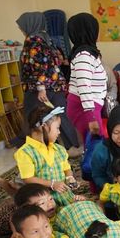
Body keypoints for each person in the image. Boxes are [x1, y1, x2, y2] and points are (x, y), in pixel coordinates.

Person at [16, 11, 79, 152]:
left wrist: (41, 87)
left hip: (39, 89)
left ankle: (33, 148)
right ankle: (73, 146)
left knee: (33, 117)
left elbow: (40, 65)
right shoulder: (46, 39)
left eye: (21, 26)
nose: (21, 29)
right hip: (56, 85)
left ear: (29, 25)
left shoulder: (32, 41)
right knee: (60, 115)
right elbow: (55, 61)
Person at [15, 105, 76, 206]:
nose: (59, 132)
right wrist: (52, 184)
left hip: (65, 196)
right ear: (44, 127)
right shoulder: (25, 153)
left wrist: (70, 177)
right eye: (57, 128)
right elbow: (28, 178)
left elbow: (66, 168)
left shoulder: (59, 149)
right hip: (44, 202)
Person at [66, 13, 107, 139]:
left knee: (93, 146)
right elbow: (84, 86)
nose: (98, 33)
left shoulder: (88, 53)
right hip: (85, 108)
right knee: (95, 147)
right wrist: (92, 117)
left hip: (89, 106)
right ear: (88, 31)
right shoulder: (84, 55)